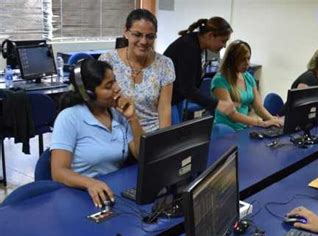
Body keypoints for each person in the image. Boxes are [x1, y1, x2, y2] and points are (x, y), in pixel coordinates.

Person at [51, 59, 143, 208]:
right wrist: (90, 183)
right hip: (79, 194)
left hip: (111, 190)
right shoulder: (69, 118)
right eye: (108, 86)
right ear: (89, 94)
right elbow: (58, 172)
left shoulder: (118, 114)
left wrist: (133, 118)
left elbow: (141, 155)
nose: (117, 88)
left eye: (114, 82)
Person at [100, 9, 174, 133]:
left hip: (151, 134)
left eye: (150, 36)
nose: (144, 41)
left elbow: (164, 109)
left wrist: (164, 143)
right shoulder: (107, 60)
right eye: (137, 34)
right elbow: (100, 106)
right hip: (117, 134)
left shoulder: (165, 64)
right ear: (126, 32)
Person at [163, 17, 235, 117]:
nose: (224, 46)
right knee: (171, 131)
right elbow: (188, 89)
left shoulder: (200, 46)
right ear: (210, 35)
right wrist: (217, 104)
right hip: (166, 100)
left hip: (176, 98)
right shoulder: (188, 47)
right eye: (223, 41)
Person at [211, 40, 282, 130]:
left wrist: (273, 120)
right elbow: (232, 115)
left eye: (248, 58)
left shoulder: (248, 77)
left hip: (243, 128)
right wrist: (261, 123)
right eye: (243, 59)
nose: (247, 63)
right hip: (225, 131)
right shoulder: (219, 80)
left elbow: (258, 107)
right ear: (232, 60)